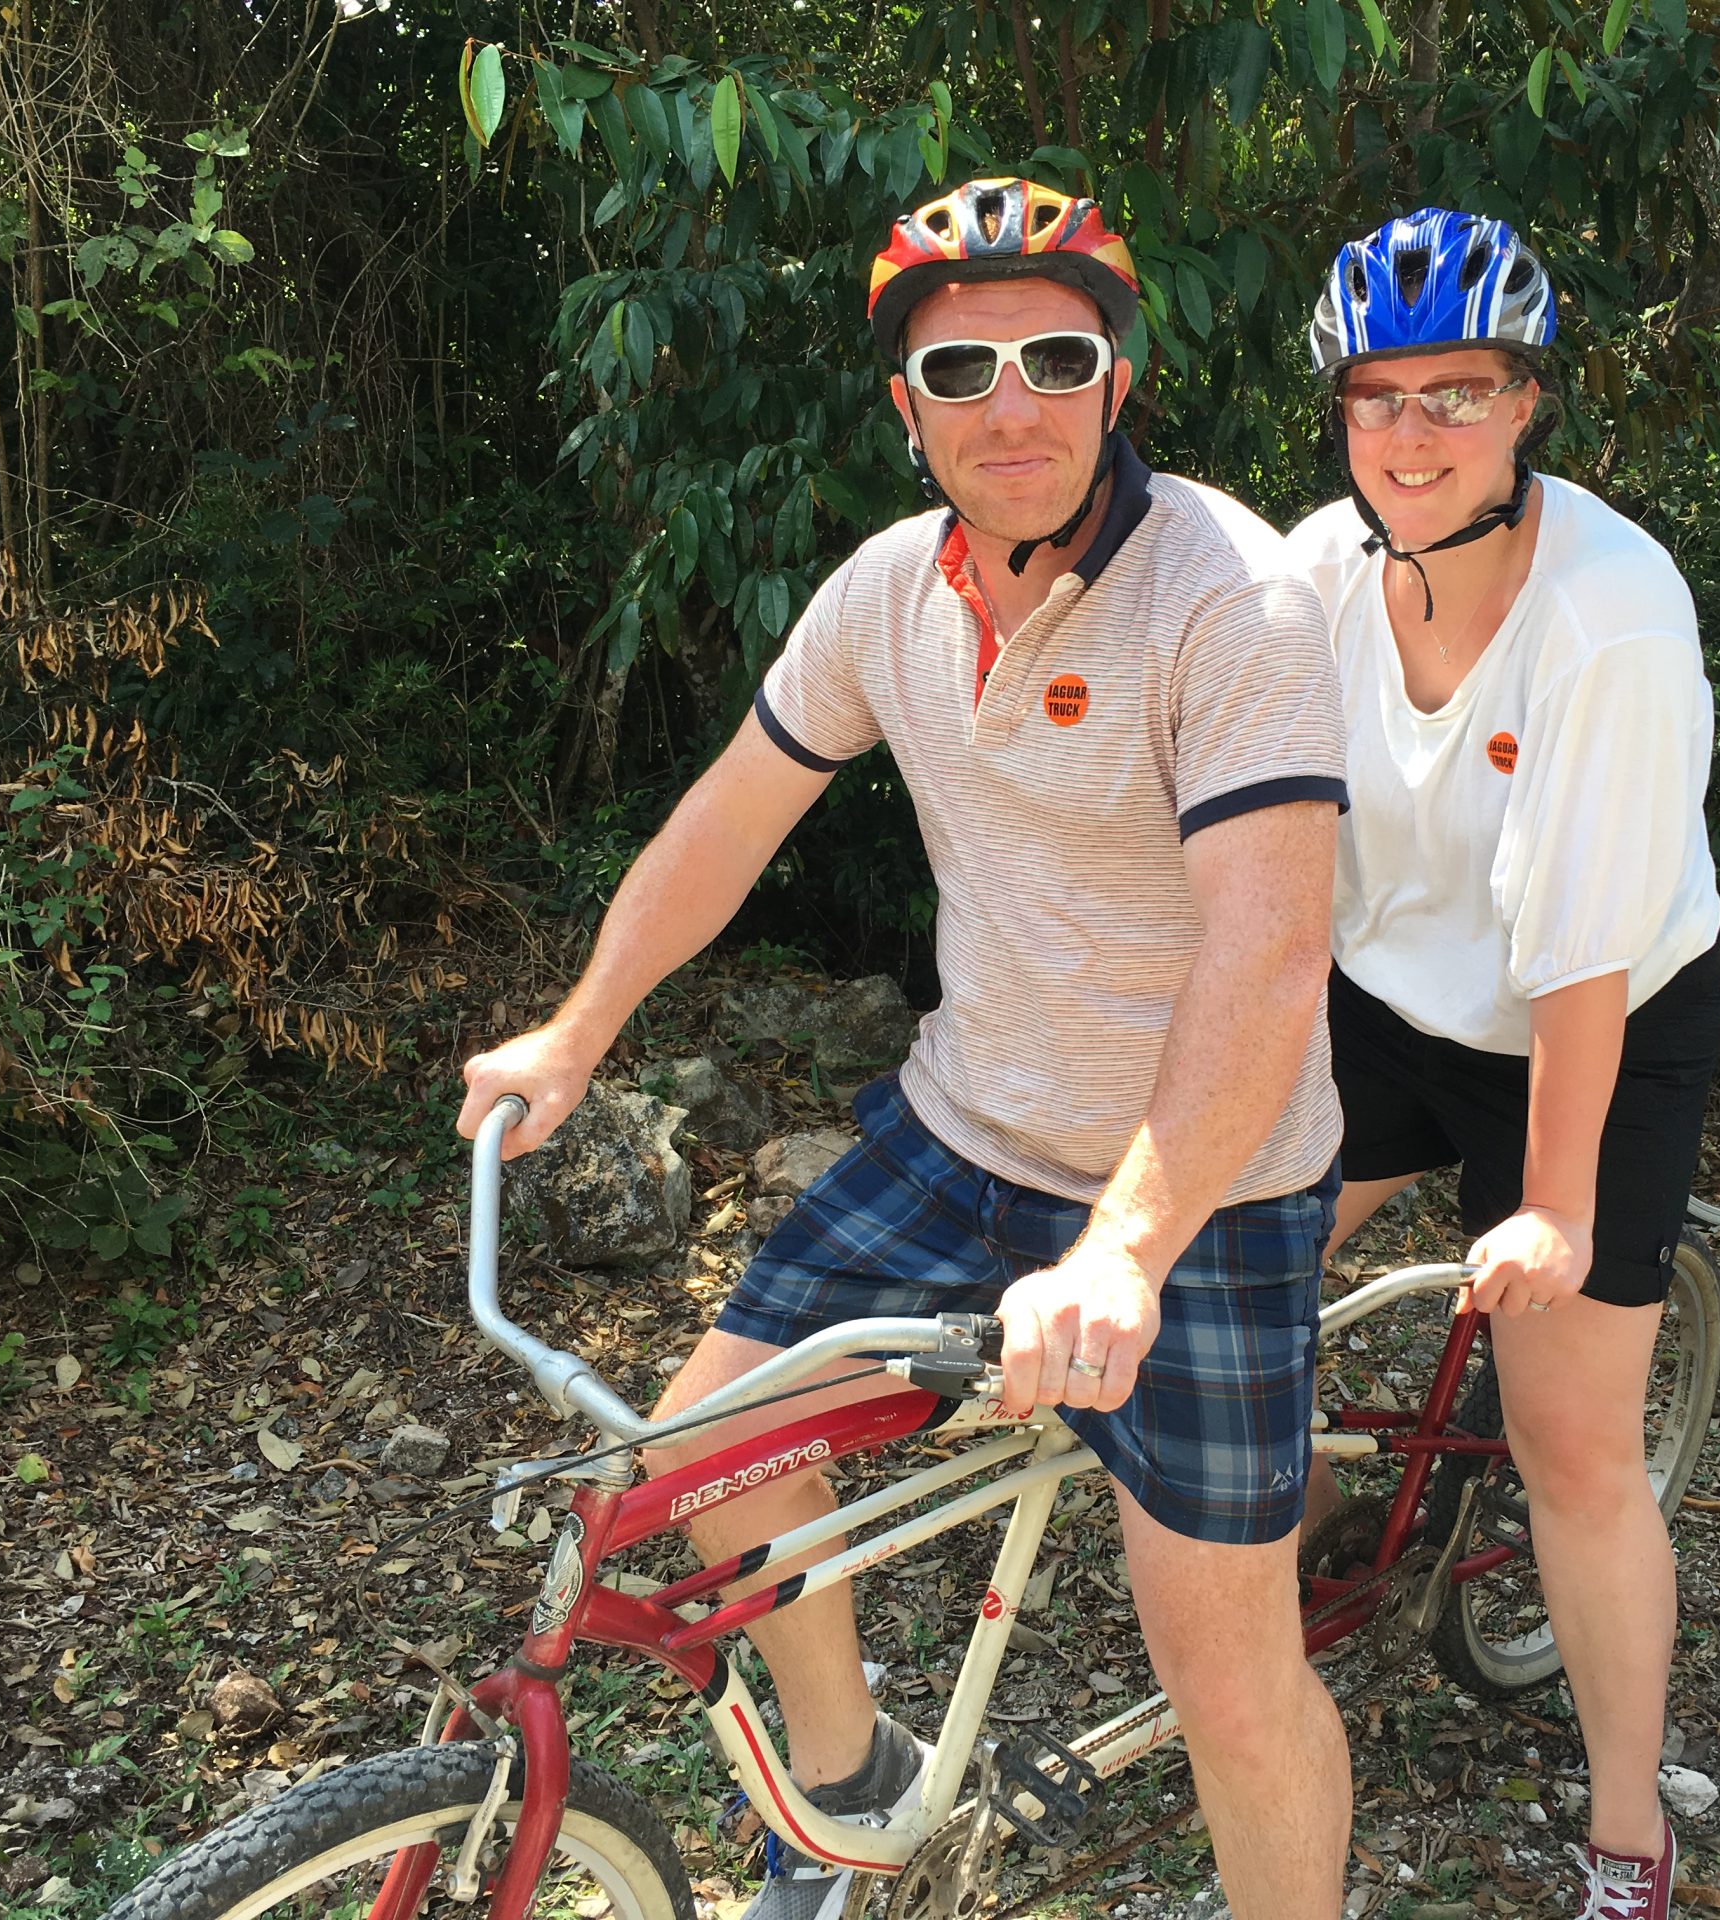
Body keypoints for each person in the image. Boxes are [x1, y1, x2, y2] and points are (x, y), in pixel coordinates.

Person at [459, 177, 1359, 1920]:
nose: (1008, 403)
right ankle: (853, 1788)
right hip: (968, 1129)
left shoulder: (1228, 600)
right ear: (906, 408)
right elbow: (731, 816)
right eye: (962, 372)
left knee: (1228, 1680)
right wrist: (577, 1034)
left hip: (1208, 1188)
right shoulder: (888, 593)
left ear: (1117, 379)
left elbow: (1268, 954)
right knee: (701, 1458)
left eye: (1051, 356)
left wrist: (1126, 1250)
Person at [1284, 208, 1720, 1920]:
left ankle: (1631, 1833)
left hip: (1595, 1002)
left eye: (1454, 395)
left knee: (1570, 1449)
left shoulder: (1609, 614)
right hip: (1390, 992)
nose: (1410, 437)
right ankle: (1316, 1499)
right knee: (1222, 1281)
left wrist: (1548, 1209)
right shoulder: (1321, 573)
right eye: (1376, 398)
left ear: (1529, 403)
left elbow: (1583, 951)